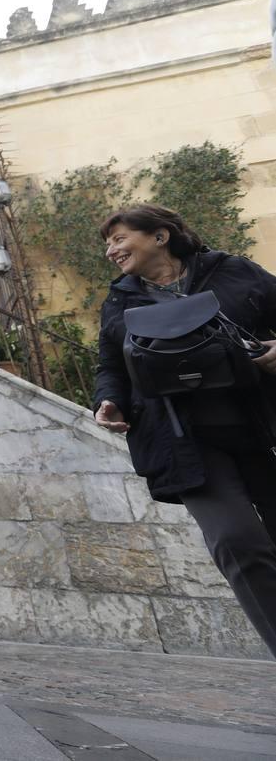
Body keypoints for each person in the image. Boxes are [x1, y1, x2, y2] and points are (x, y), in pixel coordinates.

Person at [94, 204, 276, 658]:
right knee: (237, 542)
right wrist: (107, 401)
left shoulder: (231, 271)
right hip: (186, 441)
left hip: (263, 427)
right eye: (108, 244)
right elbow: (111, 365)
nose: (112, 251)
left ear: (159, 236)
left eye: (119, 239)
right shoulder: (120, 300)